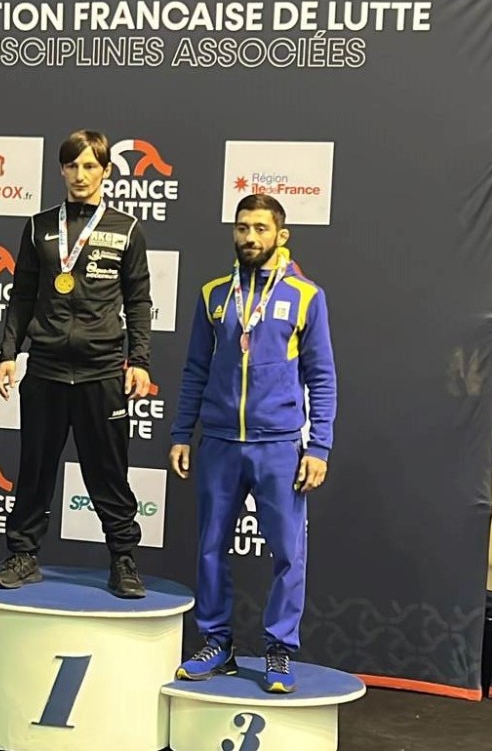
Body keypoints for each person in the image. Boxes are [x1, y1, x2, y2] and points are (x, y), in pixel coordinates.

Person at [168, 193, 336, 693]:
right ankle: (216, 643)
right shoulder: (214, 294)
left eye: (261, 228)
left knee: (288, 553)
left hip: (279, 445)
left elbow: (322, 376)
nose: (250, 237)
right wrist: (181, 433)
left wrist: (319, 447)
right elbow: (195, 369)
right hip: (219, 442)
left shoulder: (305, 296)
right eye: (242, 227)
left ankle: (278, 650)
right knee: (210, 548)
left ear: (281, 235)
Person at [0, 129, 153, 598]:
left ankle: (123, 559)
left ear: (106, 171)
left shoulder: (126, 229)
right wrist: (8, 353)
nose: (80, 175)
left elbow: (139, 301)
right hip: (44, 368)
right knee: (35, 468)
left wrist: (139, 360)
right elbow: (22, 295)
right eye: (72, 166)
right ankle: (23, 555)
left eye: (89, 166)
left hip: (102, 370)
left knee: (109, 473)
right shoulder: (39, 226)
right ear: (61, 170)